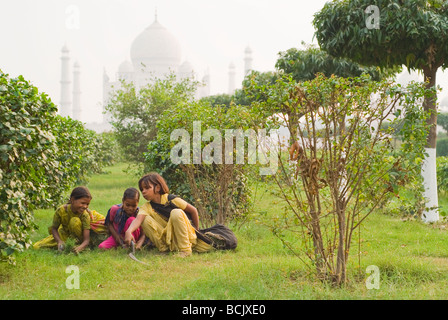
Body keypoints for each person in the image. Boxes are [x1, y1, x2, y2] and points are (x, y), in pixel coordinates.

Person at [124, 172, 213, 257]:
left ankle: (185, 250)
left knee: (176, 212)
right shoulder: (146, 207)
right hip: (169, 240)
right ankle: (164, 249)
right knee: (145, 219)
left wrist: (196, 231)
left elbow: (193, 210)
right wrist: (129, 231)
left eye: (147, 188)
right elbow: (138, 220)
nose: (143, 192)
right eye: (142, 189)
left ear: (157, 188)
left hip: (186, 237)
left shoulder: (171, 199)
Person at [33, 186, 107, 254]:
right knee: (36, 246)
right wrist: (59, 241)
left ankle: (79, 246)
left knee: (74, 221)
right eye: (83, 203)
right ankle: (65, 245)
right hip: (64, 235)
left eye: (87, 204)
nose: (85, 206)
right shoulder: (61, 211)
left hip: (80, 237)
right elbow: (54, 229)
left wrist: (80, 247)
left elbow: (86, 240)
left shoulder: (85, 215)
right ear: (72, 200)